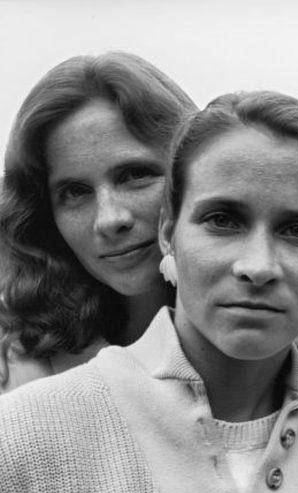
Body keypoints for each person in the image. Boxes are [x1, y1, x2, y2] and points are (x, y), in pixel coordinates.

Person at [0, 90, 298, 493]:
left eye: (297, 230)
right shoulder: (23, 439)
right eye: (222, 220)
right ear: (169, 232)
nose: (258, 266)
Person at [0, 52, 196, 392]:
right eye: (74, 192)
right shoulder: (21, 366)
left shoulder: (292, 343)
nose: (110, 219)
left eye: (135, 175)